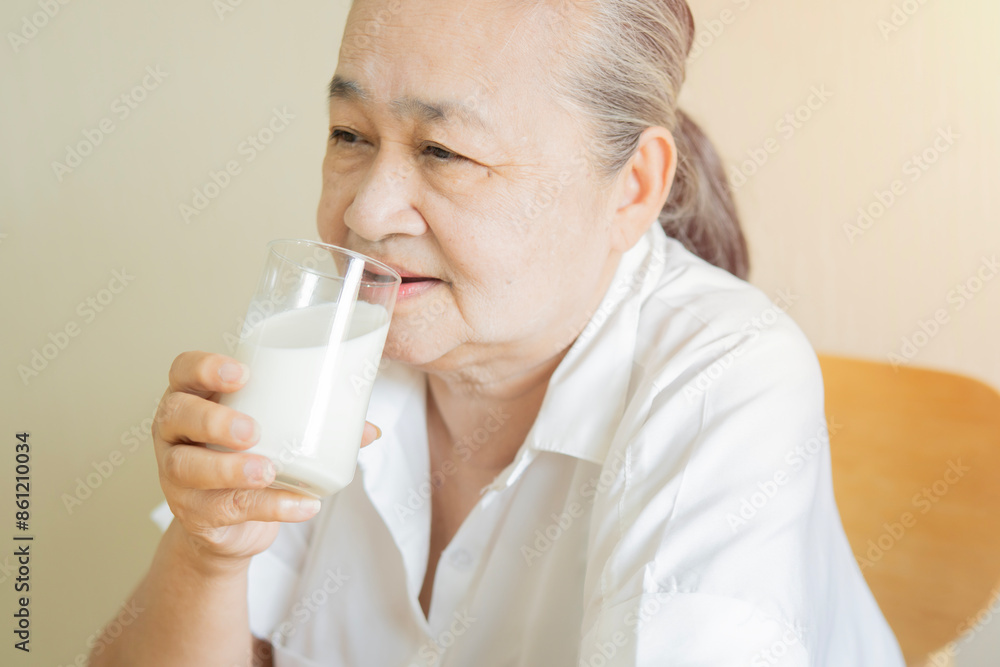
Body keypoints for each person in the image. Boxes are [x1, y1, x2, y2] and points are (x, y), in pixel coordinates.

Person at [91, 0, 906, 664]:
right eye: (349, 134)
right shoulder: (337, 340)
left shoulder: (726, 377)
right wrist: (212, 551)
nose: (366, 216)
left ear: (632, 189)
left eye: (444, 151)